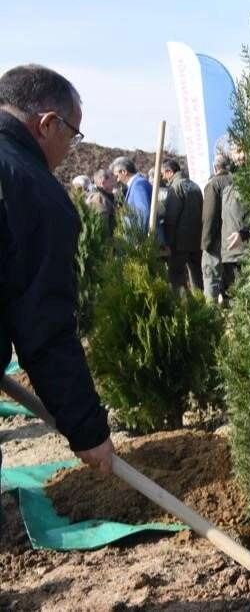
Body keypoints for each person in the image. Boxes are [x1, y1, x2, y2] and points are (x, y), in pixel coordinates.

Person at [0, 64, 114, 493]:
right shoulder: (31, 191)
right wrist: (88, 431)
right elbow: (44, 327)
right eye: (73, 133)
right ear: (47, 124)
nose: (71, 147)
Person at [159, 158, 204, 294]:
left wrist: (167, 242)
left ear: (169, 172)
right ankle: (201, 307)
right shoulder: (195, 186)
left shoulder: (175, 188)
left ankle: (183, 309)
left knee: (176, 278)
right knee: (197, 276)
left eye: (162, 174)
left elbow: (171, 218)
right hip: (196, 241)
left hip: (179, 244)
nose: (162, 178)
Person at [201, 151, 232, 303]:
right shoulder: (237, 181)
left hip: (217, 238)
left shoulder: (213, 184)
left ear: (215, 168)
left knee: (211, 277)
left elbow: (209, 216)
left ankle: (210, 316)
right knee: (231, 278)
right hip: (235, 238)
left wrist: (205, 243)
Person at [220, 145, 250, 298]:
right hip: (229, 255)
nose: (238, 156)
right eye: (235, 151)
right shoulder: (227, 187)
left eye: (241, 150)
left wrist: (245, 233)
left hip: (246, 254)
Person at [109, 155, 157, 236]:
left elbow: (143, 213)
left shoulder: (138, 184)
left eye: (117, 176)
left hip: (142, 239)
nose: (117, 180)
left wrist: (138, 238)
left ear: (124, 172)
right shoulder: (136, 184)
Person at [88, 167, 118, 235]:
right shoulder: (99, 199)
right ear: (103, 183)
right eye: (112, 177)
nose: (115, 178)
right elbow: (102, 228)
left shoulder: (108, 196)